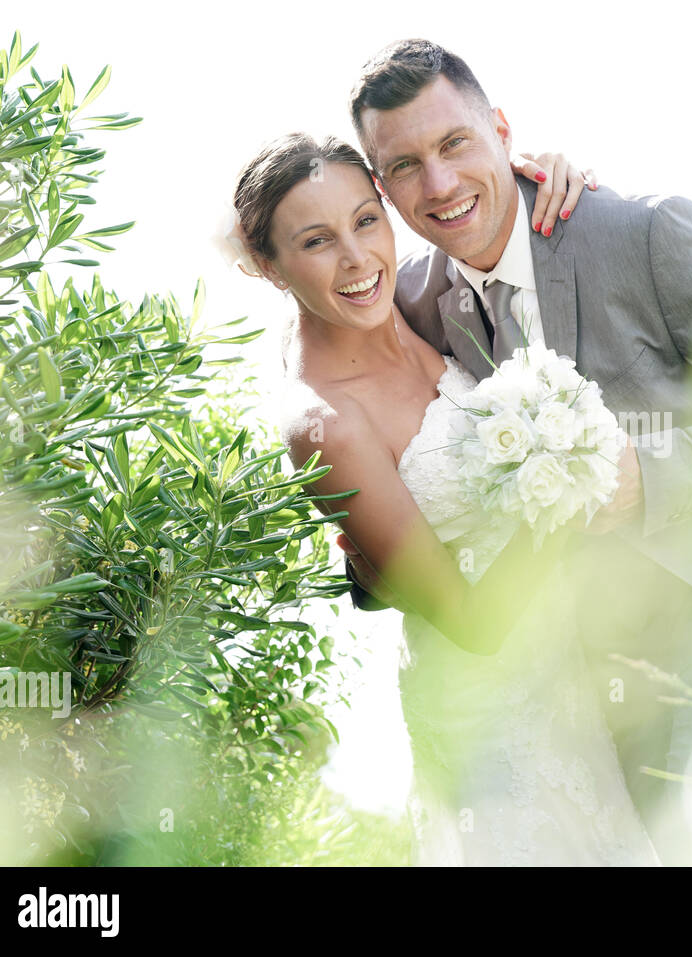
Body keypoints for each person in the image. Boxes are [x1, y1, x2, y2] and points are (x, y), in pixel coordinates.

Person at [343, 39, 692, 865]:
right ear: (381, 187)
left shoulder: (642, 230)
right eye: (405, 166)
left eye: (455, 144)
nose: (440, 185)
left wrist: (650, 477)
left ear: (503, 132)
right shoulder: (412, 302)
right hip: (588, 660)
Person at [230, 133, 659, 864]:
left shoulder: (406, 306)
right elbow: (470, 622)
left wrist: (534, 175)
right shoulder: (324, 424)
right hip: (490, 720)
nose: (357, 258)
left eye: (367, 220)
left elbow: (484, 226)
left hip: (571, 682)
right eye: (317, 240)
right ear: (267, 265)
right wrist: (565, 471)